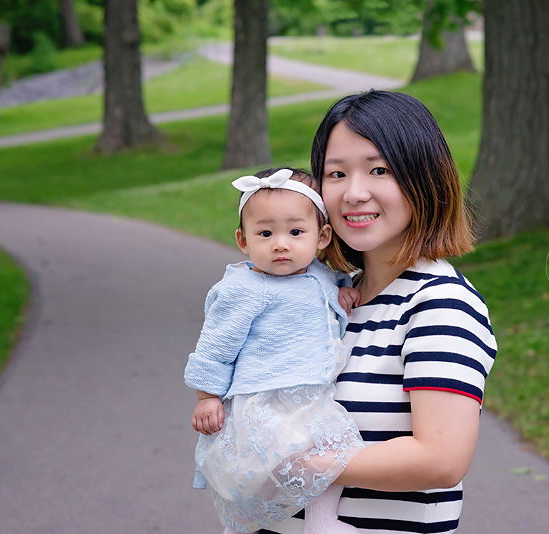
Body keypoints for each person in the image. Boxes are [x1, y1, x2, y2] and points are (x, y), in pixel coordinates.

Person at [259, 91, 498, 534]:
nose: (354, 192)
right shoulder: (334, 299)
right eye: (336, 173)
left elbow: (440, 459)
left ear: (425, 178)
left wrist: (298, 463)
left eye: (379, 170)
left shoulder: (439, 304)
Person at [184, 167, 367, 534]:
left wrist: (341, 294)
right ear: (243, 239)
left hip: (311, 396)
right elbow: (215, 348)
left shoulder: (319, 274)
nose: (281, 244)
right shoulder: (244, 289)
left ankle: (322, 522)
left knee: (333, 459)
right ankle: (246, 527)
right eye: (265, 233)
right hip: (266, 399)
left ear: (322, 236)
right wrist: (207, 397)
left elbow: (329, 287)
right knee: (264, 474)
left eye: (295, 232)